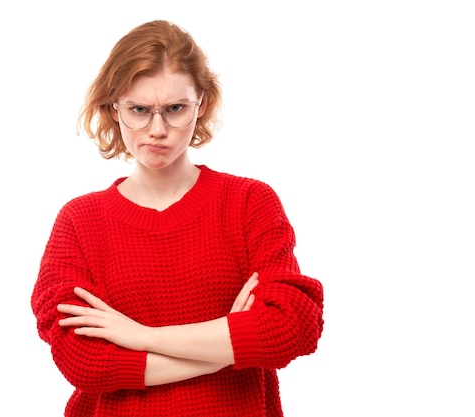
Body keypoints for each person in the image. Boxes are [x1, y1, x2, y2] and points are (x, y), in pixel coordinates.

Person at [31, 19, 324, 417]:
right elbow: (84, 361)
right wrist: (225, 346)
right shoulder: (80, 221)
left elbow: (292, 327)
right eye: (138, 110)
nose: (157, 130)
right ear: (113, 107)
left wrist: (141, 337)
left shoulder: (248, 202)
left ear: (200, 104)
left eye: (174, 109)